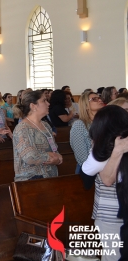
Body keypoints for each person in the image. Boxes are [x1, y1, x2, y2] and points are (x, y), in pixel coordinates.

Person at [82, 105, 128, 260]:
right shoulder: (102, 148)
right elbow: (106, 179)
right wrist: (117, 151)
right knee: (114, 256)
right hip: (110, 214)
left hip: (121, 212)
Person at [12, 90, 63, 181]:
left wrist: (58, 157)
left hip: (50, 175)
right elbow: (29, 157)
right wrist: (50, 156)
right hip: (31, 179)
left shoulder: (46, 125)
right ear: (33, 106)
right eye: (44, 101)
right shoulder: (23, 128)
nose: (48, 104)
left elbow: (53, 147)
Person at [70, 91, 104, 173]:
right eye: (94, 99)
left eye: (99, 98)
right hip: (88, 171)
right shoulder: (79, 125)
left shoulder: (104, 122)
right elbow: (82, 158)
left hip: (105, 168)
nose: (100, 100)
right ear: (86, 106)